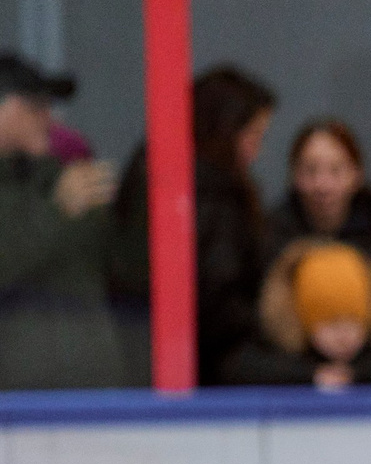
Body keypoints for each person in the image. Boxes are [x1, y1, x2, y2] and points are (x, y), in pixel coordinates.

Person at [0, 52, 128, 390]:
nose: (47, 118)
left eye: (47, 106)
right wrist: (57, 211)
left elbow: (122, 273)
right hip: (3, 406)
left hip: (93, 395)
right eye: (32, 107)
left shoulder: (64, 185)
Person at [110, 66, 279, 386]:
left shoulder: (170, 177)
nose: (256, 152)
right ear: (225, 130)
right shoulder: (206, 195)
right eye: (253, 135)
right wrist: (273, 327)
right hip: (204, 375)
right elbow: (216, 297)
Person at [257, 118, 371, 376]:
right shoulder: (270, 245)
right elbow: (248, 353)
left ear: (357, 174)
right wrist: (307, 374)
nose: (322, 185)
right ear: (294, 176)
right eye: (310, 171)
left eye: (335, 170)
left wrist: (361, 374)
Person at [220, 240, 371, 389]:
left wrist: (358, 375)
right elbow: (237, 368)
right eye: (329, 322)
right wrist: (311, 376)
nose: (343, 335)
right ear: (301, 320)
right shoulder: (277, 354)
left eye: (354, 321)